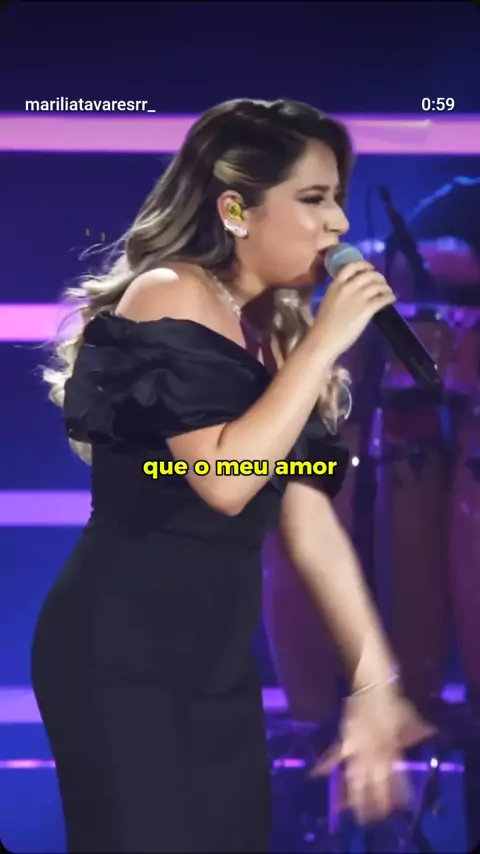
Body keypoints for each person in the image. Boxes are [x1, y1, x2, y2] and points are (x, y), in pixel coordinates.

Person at [31, 98, 433, 854]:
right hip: (120, 654)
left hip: (215, 663)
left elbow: (308, 520)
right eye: (314, 199)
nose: (339, 224)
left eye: (338, 199)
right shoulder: (168, 292)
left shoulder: (274, 334)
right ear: (236, 211)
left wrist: (376, 684)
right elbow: (224, 479)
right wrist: (325, 343)